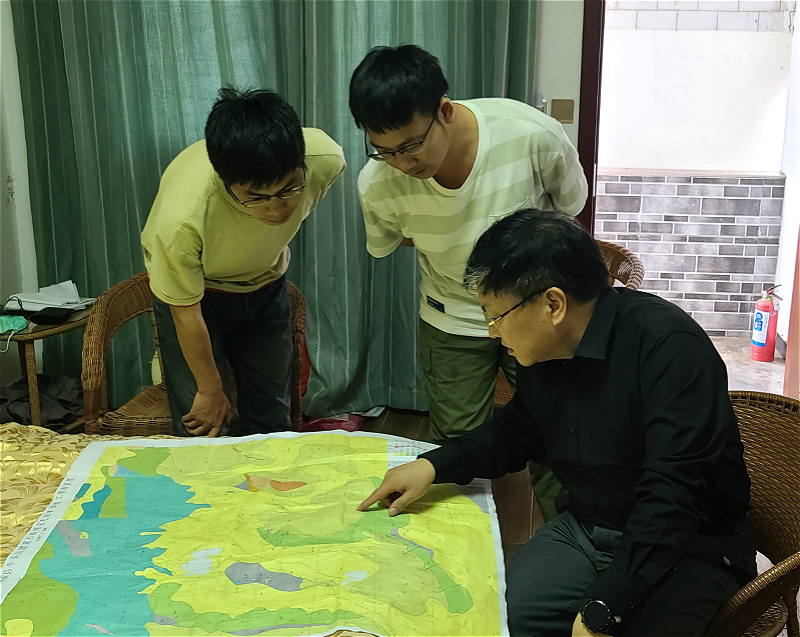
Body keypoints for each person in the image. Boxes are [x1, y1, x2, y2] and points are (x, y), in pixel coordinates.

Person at [358, 208, 756, 637]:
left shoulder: (669, 347)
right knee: (493, 619)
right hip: (588, 528)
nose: (493, 333)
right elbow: (516, 432)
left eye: (495, 317)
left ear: (553, 304)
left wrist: (607, 606)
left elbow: (672, 496)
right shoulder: (547, 350)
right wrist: (433, 464)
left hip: (688, 546)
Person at [350, 44, 588, 445]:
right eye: (385, 151)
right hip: (451, 318)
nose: (403, 164)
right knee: (458, 446)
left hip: (536, 315)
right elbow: (399, 236)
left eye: (411, 146)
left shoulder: (531, 134)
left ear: (445, 111)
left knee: (558, 438)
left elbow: (569, 210)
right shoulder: (376, 182)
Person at [141, 88, 345, 437]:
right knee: (203, 424)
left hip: (267, 287)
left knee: (272, 421)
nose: (276, 209)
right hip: (200, 298)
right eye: (257, 197)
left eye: (288, 189)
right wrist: (210, 389)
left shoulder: (326, 159)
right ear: (226, 182)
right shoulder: (181, 220)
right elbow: (185, 313)